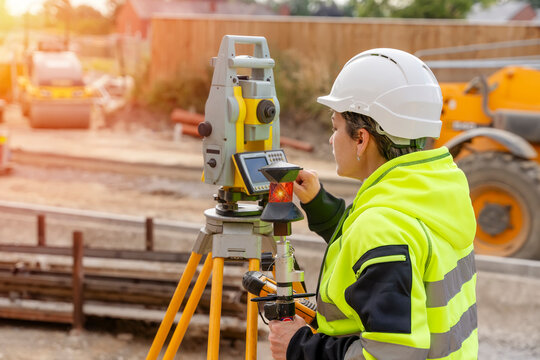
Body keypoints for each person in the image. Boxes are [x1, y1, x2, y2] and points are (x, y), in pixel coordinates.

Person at [268, 48, 478, 360]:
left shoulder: (382, 226)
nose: (330, 139)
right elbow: (370, 251)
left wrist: (298, 347)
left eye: (335, 127)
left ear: (361, 139)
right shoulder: (432, 192)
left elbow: (390, 355)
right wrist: (318, 203)